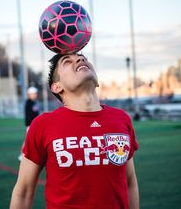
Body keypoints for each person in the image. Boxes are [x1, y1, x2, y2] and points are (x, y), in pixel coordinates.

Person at [10, 53, 139, 209]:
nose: (80, 60)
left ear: (97, 81)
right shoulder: (43, 124)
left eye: (83, 58)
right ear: (56, 86)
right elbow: (23, 191)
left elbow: (130, 183)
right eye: (67, 62)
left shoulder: (121, 119)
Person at [18, 86, 40, 161]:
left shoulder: (35, 102)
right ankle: (21, 155)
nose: (35, 95)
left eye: (36, 93)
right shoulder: (28, 103)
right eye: (34, 94)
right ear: (29, 94)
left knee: (35, 140)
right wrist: (32, 124)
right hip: (31, 125)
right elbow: (29, 115)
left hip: (35, 125)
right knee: (27, 140)